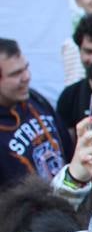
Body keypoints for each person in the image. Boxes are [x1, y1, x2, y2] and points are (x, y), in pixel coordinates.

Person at [0, 38, 71, 185]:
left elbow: (69, 152)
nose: (27, 77)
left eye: (26, 68)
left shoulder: (36, 100)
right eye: (16, 73)